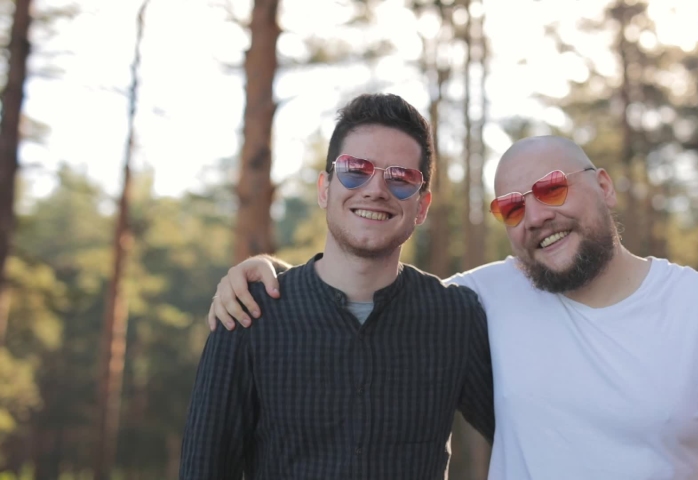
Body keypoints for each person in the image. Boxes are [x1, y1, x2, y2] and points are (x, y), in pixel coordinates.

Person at [210, 134, 698, 479]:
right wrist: (269, 273)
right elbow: (369, 290)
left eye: (552, 188)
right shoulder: (477, 299)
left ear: (602, 186)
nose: (537, 215)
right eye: (511, 206)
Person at [180, 93, 495, 480]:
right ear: (325, 188)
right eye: (355, 169)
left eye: (400, 178)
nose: (376, 189)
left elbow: (529, 432)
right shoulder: (249, 313)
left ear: (422, 206)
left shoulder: (455, 318)